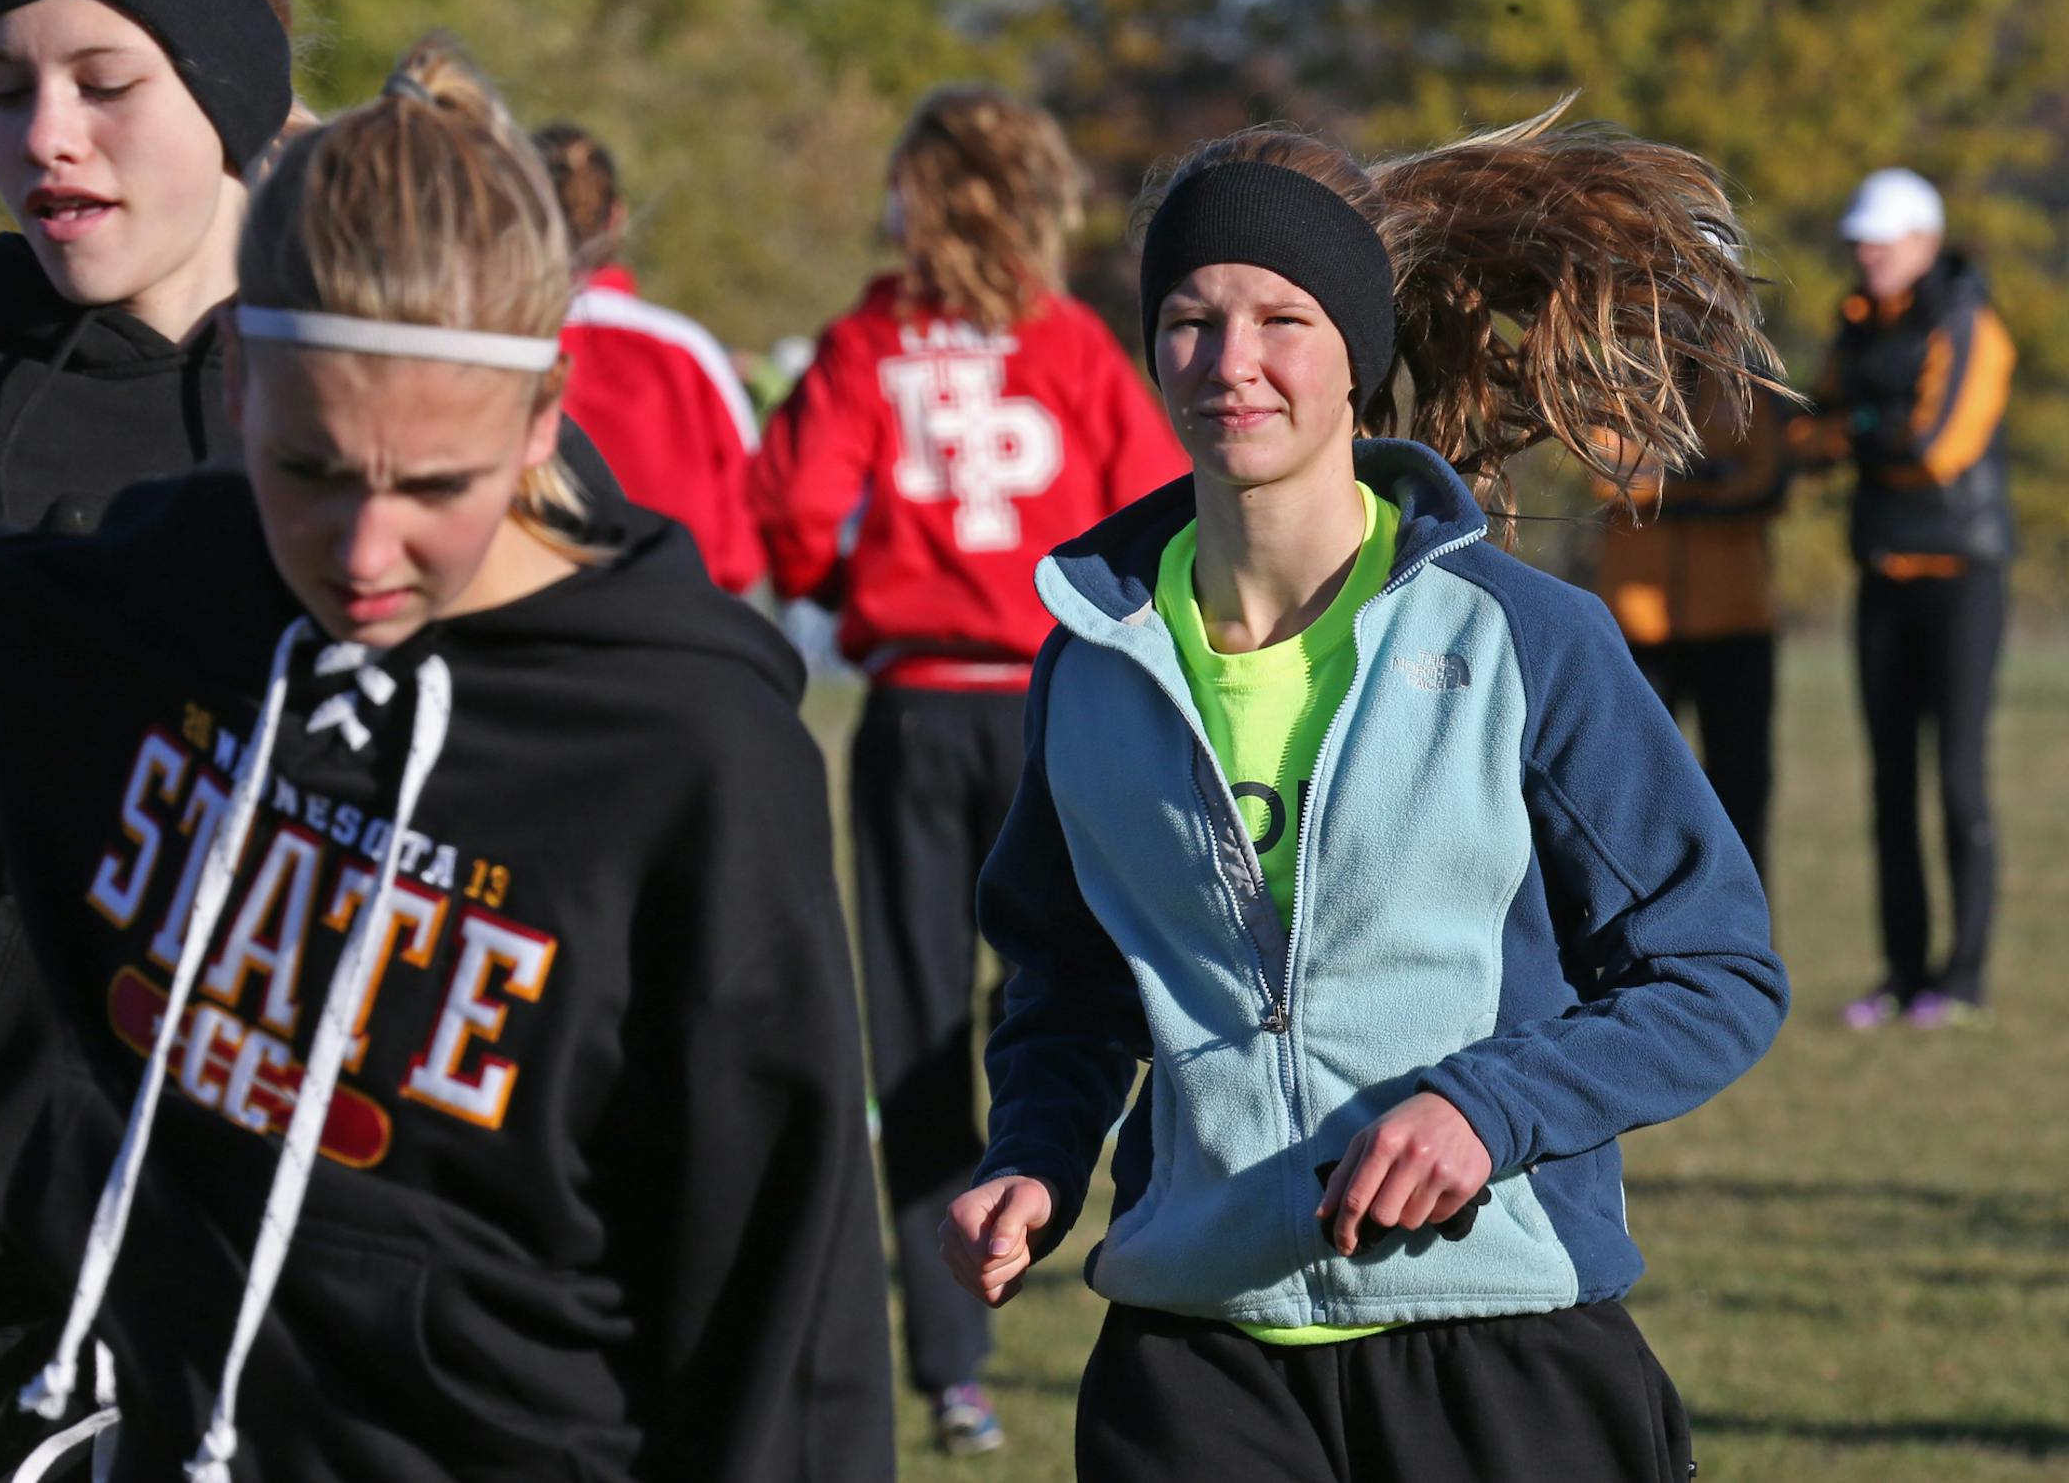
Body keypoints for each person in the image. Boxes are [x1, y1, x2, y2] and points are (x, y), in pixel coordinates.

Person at [0, 37, 892, 1483]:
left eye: (434, 485)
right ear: (238, 373)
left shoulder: (684, 747)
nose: (364, 556)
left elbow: (778, 1301)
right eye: (309, 471)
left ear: (543, 420)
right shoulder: (171, 597)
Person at [939, 106, 1792, 1483]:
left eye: (1283, 319)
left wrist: (1487, 1110)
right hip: (1195, 1356)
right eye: (1188, 320)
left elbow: (1714, 975)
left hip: (1500, 1345)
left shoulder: (1527, 642)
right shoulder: (1092, 665)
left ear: (1355, 354)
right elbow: (1068, 984)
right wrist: (1032, 1153)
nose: (1230, 364)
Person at [752, 85, 1187, 1454]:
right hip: (1060, 702)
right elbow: (1154, 508)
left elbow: (793, 519)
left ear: (918, 197)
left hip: (915, 712)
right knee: (1089, 995)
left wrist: (861, 573)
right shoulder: (1067, 344)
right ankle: (1136, 1255)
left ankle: (953, 1361)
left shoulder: (865, 341)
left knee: (922, 1023)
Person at [0, 0, 298, 1477]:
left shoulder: (389, 416)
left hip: (301, 1307)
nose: (47, 138)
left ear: (236, 90)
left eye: (105, 79)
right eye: (3, 88)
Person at [1786, 168, 2015, 1030]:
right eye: (1860, 240)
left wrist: (1859, 431)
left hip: (1963, 578)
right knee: (1887, 785)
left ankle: (1962, 978)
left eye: (1881, 239)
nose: (1866, 253)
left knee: (1957, 779)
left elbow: (1937, 444)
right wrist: (1861, 429)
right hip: (1881, 574)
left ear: (1924, 242)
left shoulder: (1969, 324)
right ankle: (1903, 969)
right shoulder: (1855, 325)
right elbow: (1806, 436)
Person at [535, 123, 765, 593]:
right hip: (686, 626)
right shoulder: (686, 348)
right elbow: (749, 507)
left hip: (541, 627)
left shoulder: (507, 349)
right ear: (616, 217)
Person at [1591, 370, 1790, 879]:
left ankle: (1747, 946)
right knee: (1634, 803)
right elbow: (1611, 478)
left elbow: (1766, 481)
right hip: (1638, 626)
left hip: (1735, 621)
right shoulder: (1618, 387)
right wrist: (1707, 478)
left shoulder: (1749, 386)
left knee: (1743, 800)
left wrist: (1667, 480)